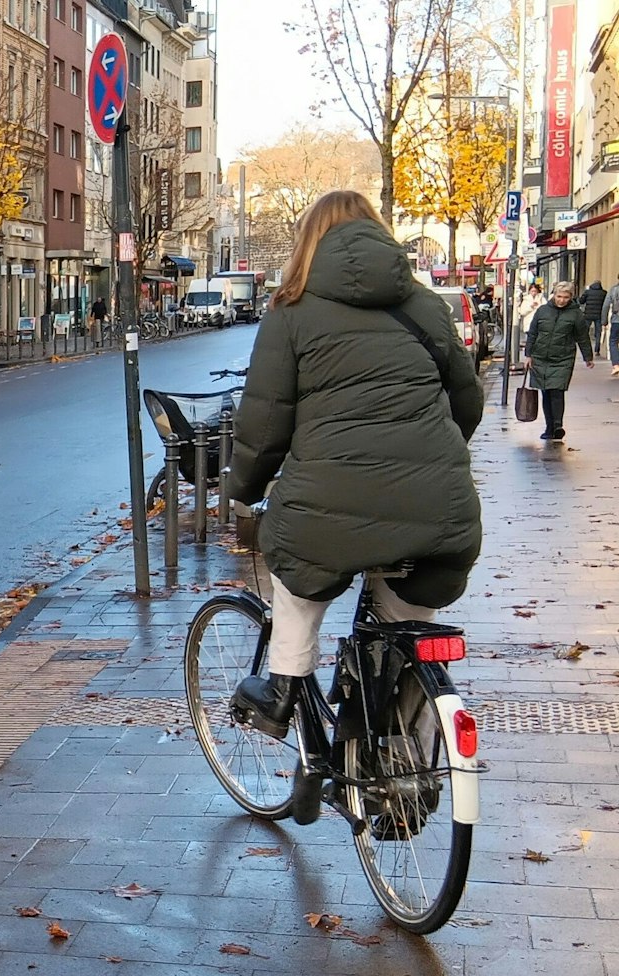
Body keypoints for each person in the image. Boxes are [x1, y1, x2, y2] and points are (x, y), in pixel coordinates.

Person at [224, 190, 483, 736]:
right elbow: (468, 400)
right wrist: (434, 456)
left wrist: (242, 489)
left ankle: (282, 689)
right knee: (407, 626)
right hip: (439, 506)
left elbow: (265, 426)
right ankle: (399, 752)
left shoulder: (291, 311)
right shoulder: (425, 305)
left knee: (295, 579)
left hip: (329, 505)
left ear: (309, 242)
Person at [525, 280, 597, 441]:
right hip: (540, 358)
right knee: (546, 392)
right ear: (554, 295)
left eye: (565, 297)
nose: (562, 300)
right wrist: (528, 355)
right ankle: (549, 426)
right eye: (559, 296)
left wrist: (588, 357)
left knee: (557, 391)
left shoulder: (576, 314)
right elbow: (533, 333)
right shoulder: (542, 311)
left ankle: (558, 425)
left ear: (571, 297)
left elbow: (582, 337)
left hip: (562, 359)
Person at [582, 280, 608, 357]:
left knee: (585, 332)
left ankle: (585, 349)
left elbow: (581, 301)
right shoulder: (604, 293)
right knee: (598, 333)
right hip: (599, 315)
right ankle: (597, 350)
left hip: (588, 315)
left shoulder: (588, 292)